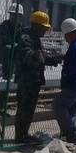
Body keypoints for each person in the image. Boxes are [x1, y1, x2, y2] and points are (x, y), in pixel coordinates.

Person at [14, 11, 60, 144]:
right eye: (43, 28)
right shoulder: (26, 38)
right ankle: (21, 136)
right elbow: (28, 55)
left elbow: (41, 57)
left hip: (34, 79)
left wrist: (53, 59)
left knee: (29, 109)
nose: (45, 31)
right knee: (24, 109)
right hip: (27, 80)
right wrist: (36, 55)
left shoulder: (35, 38)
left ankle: (23, 134)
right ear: (35, 26)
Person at [51, 17, 76, 145]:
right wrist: (65, 57)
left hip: (74, 84)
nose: (65, 38)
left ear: (71, 33)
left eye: (66, 35)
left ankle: (70, 131)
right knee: (71, 111)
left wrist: (67, 72)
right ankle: (74, 140)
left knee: (58, 104)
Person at [0, 3, 24, 115]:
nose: (13, 18)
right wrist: (15, 44)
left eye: (16, 16)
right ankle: (2, 107)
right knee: (6, 79)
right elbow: (3, 39)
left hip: (15, 56)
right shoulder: (5, 25)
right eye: (12, 15)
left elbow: (23, 40)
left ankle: (7, 106)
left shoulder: (21, 27)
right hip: (5, 55)